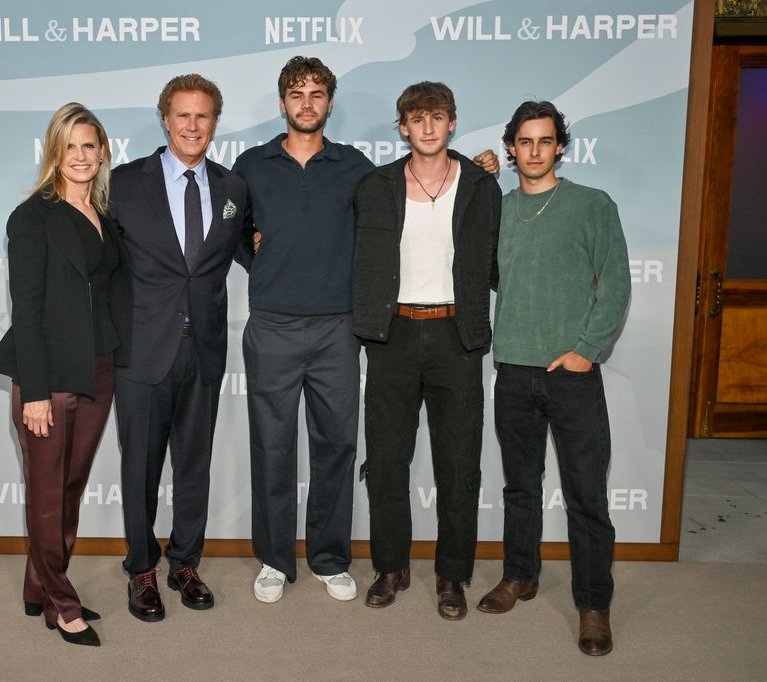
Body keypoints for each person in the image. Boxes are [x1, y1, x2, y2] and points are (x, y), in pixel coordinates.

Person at [232, 57, 498, 604]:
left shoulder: (356, 168)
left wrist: (482, 165)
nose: (307, 104)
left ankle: (330, 558)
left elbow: (432, 177)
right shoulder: (250, 164)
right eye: (296, 94)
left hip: (339, 328)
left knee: (336, 447)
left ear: (330, 103)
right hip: (273, 324)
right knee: (272, 447)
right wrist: (262, 258)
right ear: (283, 102)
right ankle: (275, 561)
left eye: (317, 94)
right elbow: (234, 232)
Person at [476, 101, 630, 656]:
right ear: (511, 147)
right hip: (513, 368)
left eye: (545, 141)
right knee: (520, 487)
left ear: (559, 145)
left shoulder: (592, 205)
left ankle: (593, 604)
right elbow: (480, 269)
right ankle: (520, 574)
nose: (534, 151)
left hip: (571, 373)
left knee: (586, 495)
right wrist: (476, 182)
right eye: (525, 141)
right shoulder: (498, 209)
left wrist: (587, 351)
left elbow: (614, 283)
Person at [352, 82, 500, 620]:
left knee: (459, 465)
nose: (429, 127)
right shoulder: (375, 186)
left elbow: (497, 262)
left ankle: (451, 575)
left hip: (456, 337)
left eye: (438, 117)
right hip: (392, 335)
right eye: (418, 118)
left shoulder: (482, 185)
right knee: (388, 462)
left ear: (453, 123)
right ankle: (390, 567)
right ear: (404, 128)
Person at [0, 102, 130, 647]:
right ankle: (60, 604)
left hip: (98, 369)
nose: (80, 156)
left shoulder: (102, 213)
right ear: (54, 152)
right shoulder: (32, 217)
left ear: (102, 153)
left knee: (68, 487)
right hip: (49, 375)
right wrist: (36, 393)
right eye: (69, 146)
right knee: (47, 493)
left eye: (89, 145)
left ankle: (37, 586)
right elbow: (26, 309)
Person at [109, 74, 250, 623]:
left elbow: (254, 251)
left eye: (204, 116)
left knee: (195, 466)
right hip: (142, 352)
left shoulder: (234, 188)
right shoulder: (121, 183)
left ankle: (185, 564)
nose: (193, 126)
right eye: (182, 115)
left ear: (215, 122)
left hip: (206, 350)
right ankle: (141, 568)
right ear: (165, 119)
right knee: (140, 470)